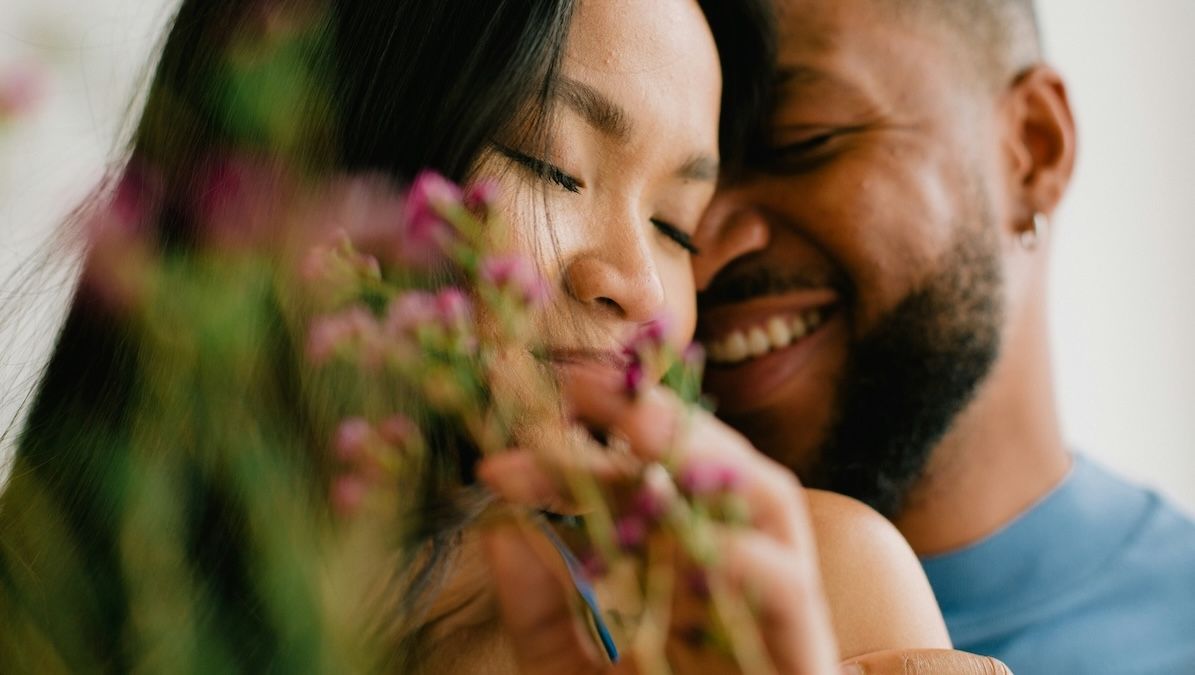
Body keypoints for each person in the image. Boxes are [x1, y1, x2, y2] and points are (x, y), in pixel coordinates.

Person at [0, 0, 1013, 673]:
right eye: (550, 161)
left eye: (673, 227)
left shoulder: (812, 598)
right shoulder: (69, 594)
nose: (635, 289)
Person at [693, 0, 1195, 672]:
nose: (698, 250)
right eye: (674, 191)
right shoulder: (567, 620)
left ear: (1031, 148)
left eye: (796, 140)